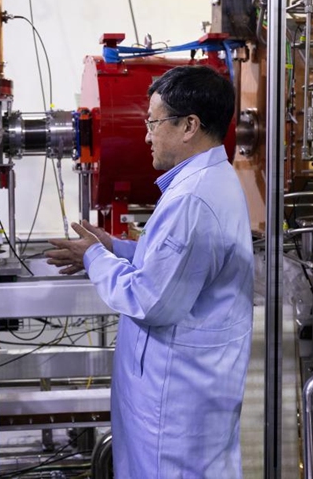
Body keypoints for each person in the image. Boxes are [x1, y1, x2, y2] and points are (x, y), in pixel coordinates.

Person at [46, 65, 253, 478]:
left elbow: (151, 299)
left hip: (176, 409)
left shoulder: (193, 199)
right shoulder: (204, 182)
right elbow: (174, 264)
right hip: (180, 398)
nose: (146, 135)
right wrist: (115, 247)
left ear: (189, 125)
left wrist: (94, 257)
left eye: (153, 123)